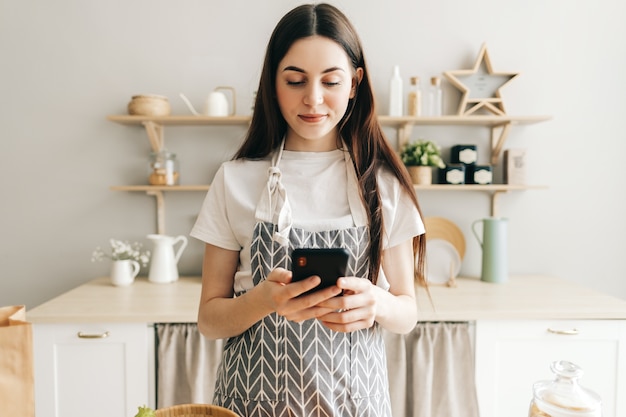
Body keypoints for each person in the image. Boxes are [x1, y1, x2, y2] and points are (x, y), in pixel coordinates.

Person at [190, 3, 426, 416]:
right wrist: (264, 300)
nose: (313, 99)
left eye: (330, 81)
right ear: (273, 85)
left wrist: (378, 303)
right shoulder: (234, 180)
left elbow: (407, 312)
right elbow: (210, 319)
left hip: (356, 404)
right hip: (251, 405)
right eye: (295, 80)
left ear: (355, 84)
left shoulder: (383, 185)